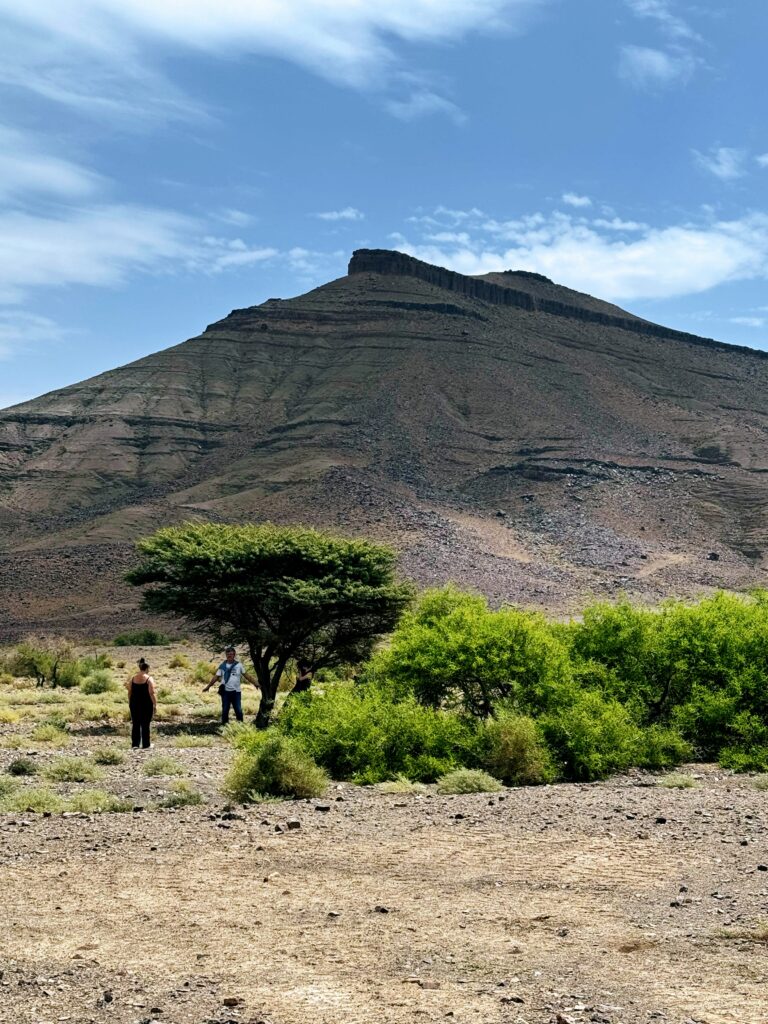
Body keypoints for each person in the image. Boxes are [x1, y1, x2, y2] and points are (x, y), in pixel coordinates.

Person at [203, 647, 258, 724]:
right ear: (226, 655)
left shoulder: (239, 665)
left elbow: (247, 676)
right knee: (225, 710)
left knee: (238, 710)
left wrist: (255, 683)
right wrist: (208, 686)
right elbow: (216, 677)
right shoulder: (222, 666)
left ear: (234, 655)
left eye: (231, 654)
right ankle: (225, 726)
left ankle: (241, 726)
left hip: (236, 692)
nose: (229, 656)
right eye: (228, 654)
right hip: (225, 692)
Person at [126, 657, 157, 749]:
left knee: (135, 724)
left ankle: (135, 744)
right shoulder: (149, 679)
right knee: (145, 724)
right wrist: (155, 704)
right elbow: (152, 693)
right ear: (147, 668)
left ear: (140, 668)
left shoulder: (133, 678)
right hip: (146, 704)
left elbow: (129, 691)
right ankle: (146, 745)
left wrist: (130, 702)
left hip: (134, 703)